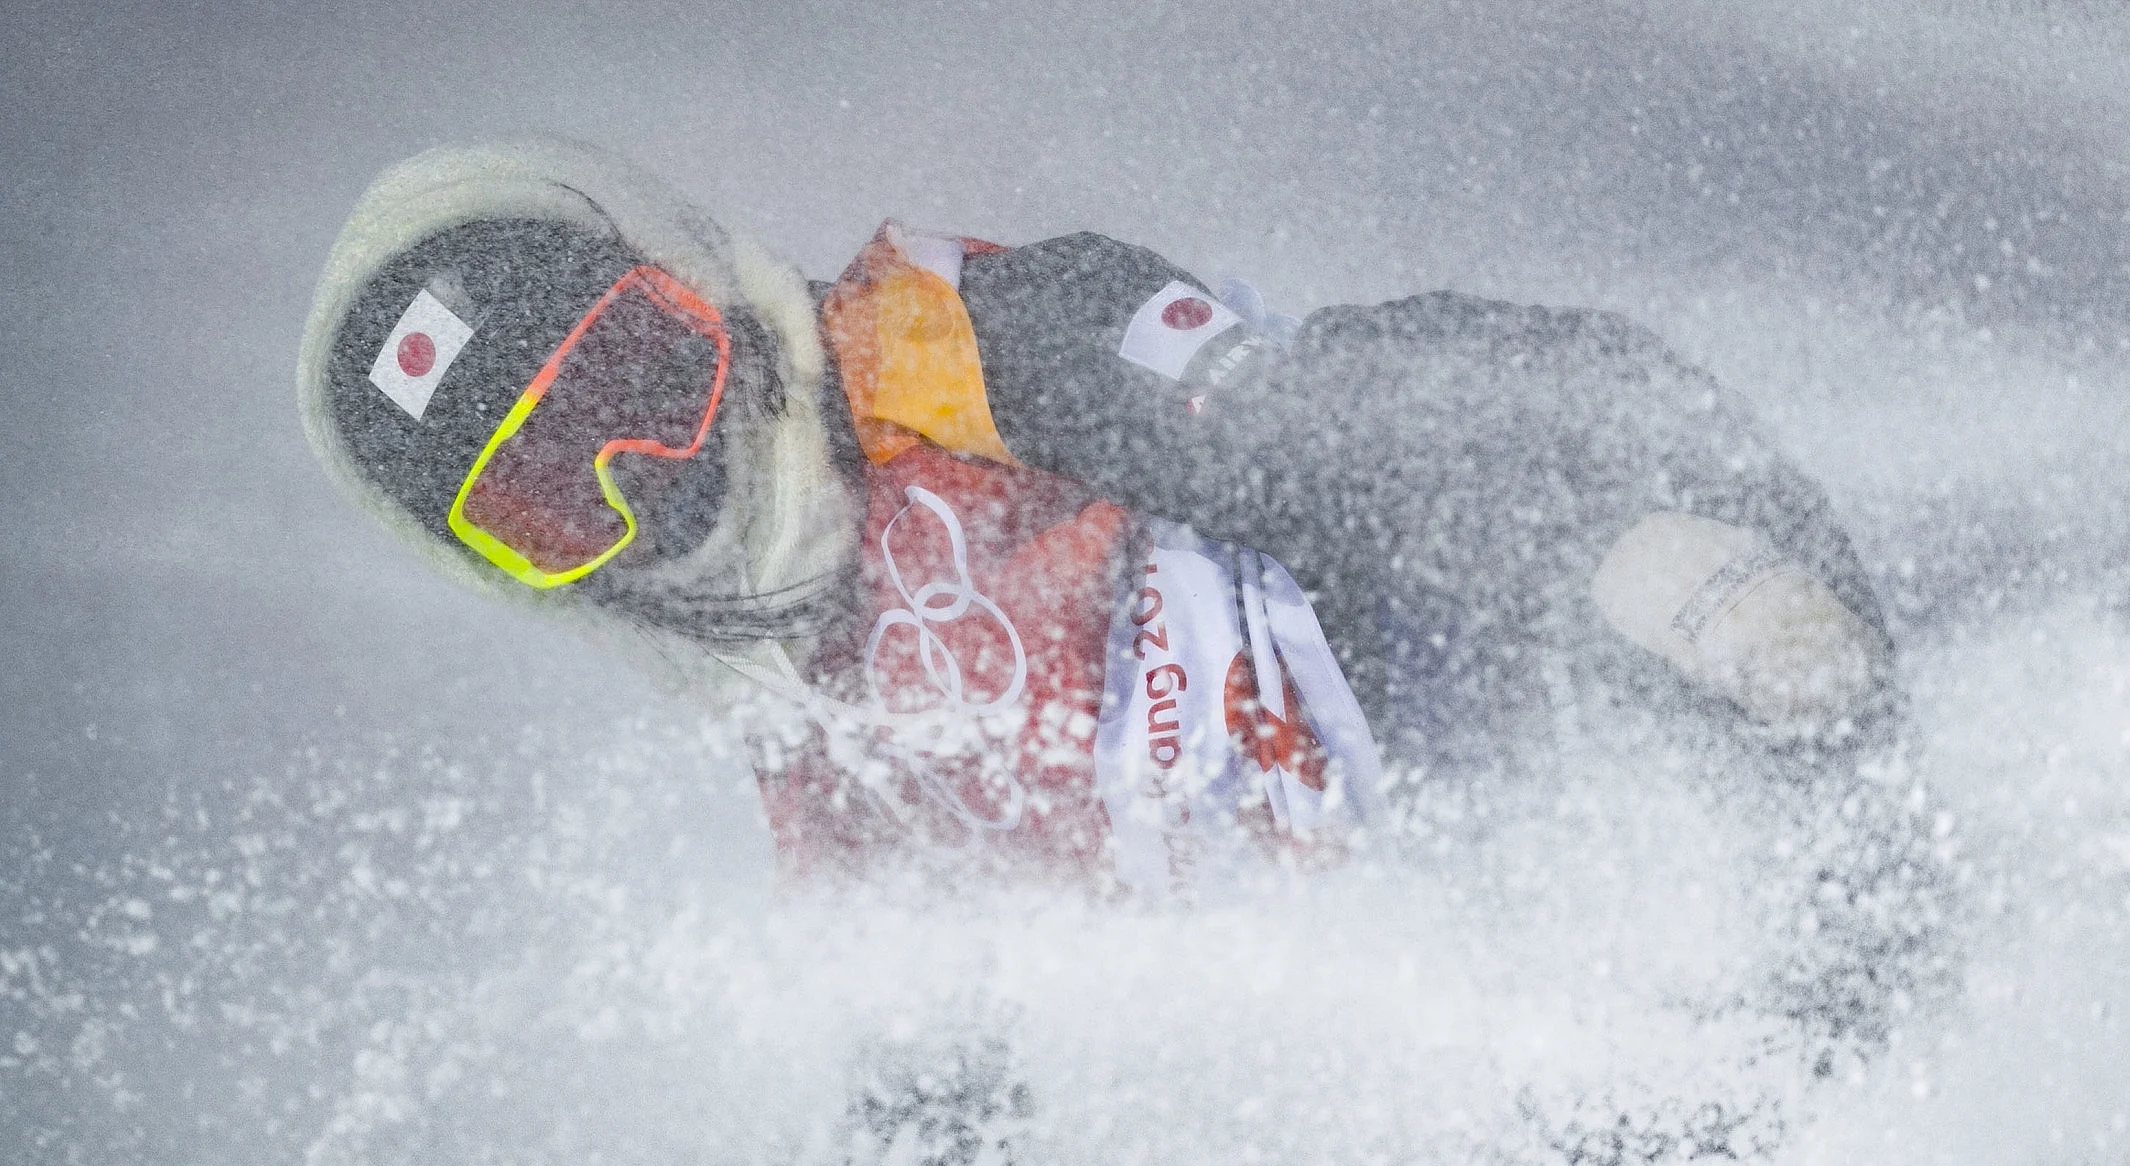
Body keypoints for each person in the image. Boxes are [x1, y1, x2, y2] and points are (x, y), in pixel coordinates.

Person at [300, 139, 1896, 897]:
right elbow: (943, 1026)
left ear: (694, 285)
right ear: (528, 576)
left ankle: (1717, 633)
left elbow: (1312, 428)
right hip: (1428, 927)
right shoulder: (802, 731)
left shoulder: (930, 352)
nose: (643, 473)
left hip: (1525, 627)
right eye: (542, 497)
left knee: (1368, 391)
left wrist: (1615, 556)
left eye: (638, 377)